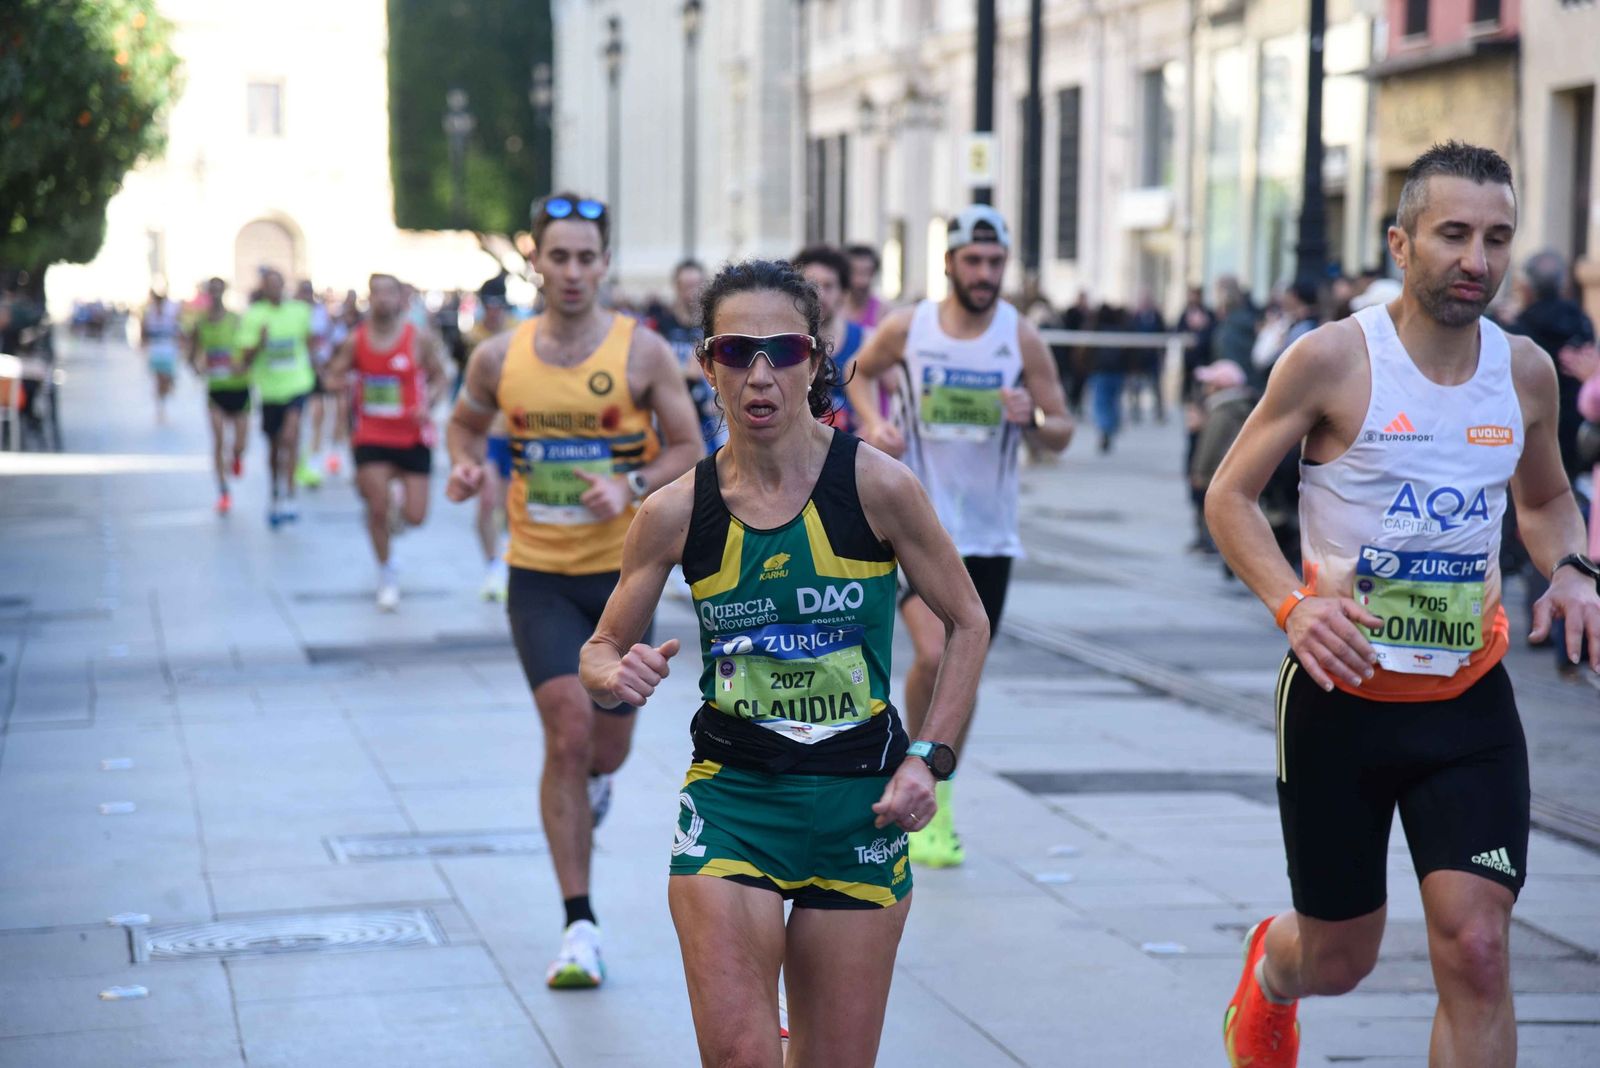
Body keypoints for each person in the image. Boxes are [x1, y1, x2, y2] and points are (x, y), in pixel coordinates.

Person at [1206, 141, 1600, 1068]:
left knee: (1477, 945)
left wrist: (1574, 569)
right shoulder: (1334, 361)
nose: (1477, 259)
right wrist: (1292, 605)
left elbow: (1543, 501)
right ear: (1401, 242)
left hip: (1468, 705)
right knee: (1340, 958)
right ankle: (1272, 967)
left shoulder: (1526, 372)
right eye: (1453, 234)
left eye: (1497, 238)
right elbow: (1228, 496)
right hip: (1340, 703)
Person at [578, 259, 989, 1067]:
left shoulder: (878, 486)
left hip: (859, 810)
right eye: (737, 353)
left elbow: (967, 622)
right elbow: (599, 649)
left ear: (815, 359)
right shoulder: (671, 512)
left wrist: (929, 760)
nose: (761, 376)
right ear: (707, 364)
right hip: (734, 803)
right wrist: (611, 679)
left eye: (784, 352)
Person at [445, 192, 702, 988]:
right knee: (565, 730)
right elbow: (463, 422)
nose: (573, 271)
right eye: (558, 256)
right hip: (540, 576)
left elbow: (690, 447)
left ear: (604, 264)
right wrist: (461, 462)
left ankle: (593, 781)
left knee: (607, 743)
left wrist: (628, 480)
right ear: (535, 261)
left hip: (623, 575)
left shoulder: (642, 353)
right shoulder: (499, 356)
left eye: (587, 257)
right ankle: (579, 926)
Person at [844, 205, 1073, 868]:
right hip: (915, 525)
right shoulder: (911, 328)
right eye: (972, 261)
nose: (984, 273)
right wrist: (873, 425)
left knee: (962, 671)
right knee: (932, 656)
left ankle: (935, 794)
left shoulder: (1020, 337)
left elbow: (1063, 429)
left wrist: (1034, 420)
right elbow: (854, 372)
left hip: (989, 535)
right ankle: (917, 768)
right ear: (948, 263)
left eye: (994, 262)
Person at [321, 274, 448, 611]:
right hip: (371, 435)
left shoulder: (417, 338)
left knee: (417, 516)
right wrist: (342, 382)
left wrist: (429, 402)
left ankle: (397, 510)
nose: (382, 299)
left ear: (399, 298)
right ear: (369, 298)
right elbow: (332, 375)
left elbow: (440, 377)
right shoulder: (355, 341)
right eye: (376, 293)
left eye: (389, 293)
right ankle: (386, 572)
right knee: (376, 508)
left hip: (412, 435)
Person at [239, 268, 316, 527]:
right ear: (263, 288)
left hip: (297, 385)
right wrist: (260, 343)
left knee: (291, 438)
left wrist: (320, 371)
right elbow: (245, 358)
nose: (275, 289)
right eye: (269, 285)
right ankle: (275, 490)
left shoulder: (300, 311)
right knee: (274, 447)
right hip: (270, 390)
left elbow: (308, 344)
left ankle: (291, 495)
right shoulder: (254, 315)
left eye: (278, 284)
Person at [465, 286, 514, 601]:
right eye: (489, 305)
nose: (494, 310)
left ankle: (510, 563)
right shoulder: (472, 337)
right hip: (489, 434)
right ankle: (492, 568)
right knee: (486, 502)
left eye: (499, 304)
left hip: (520, 434)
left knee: (512, 508)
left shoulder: (520, 332)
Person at [187, 278, 249, 514]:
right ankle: (223, 491)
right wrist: (197, 368)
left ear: (224, 292)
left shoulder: (237, 320)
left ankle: (237, 457)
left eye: (218, 290)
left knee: (239, 443)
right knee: (218, 440)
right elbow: (191, 354)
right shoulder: (200, 323)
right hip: (216, 389)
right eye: (211, 291)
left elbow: (249, 348)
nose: (215, 295)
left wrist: (244, 365)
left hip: (239, 387)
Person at [650, 259, 724, 454]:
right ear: (676, 287)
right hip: (670, 416)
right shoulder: (660, 326)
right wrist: (686, 375)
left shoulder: (715, 327)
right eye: (687, 286)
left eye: (697, 286)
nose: (692, 293)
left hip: (709, 418)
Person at [793, 245, 867, 432]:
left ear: (843, 293)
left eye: (828, 285)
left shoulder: (866, 341)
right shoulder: (784, 343)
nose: (819, 295)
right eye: (811, 285)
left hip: (851, 453)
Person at [295, 280, 333, 488]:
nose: (306, 295)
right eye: (303, 291)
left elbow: (327, 338)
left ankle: (314, 461)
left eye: (309, 292)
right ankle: (297, 458)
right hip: (296, 374)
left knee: (318, 415)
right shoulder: (290, 313)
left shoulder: (321, 313)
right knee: (296, 419)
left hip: (317, 370)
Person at [1125, 288, 1167, 423]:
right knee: (1135, 388)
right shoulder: (1134, 317)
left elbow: (1163, 334)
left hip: (1152, 359)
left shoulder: (1157, 316)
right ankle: (1135, 413)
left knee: (1156, 388)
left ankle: (1159, 414)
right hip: (1138, 360)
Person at [140, 288, 182, 424]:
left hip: (169, 351)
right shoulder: (149, 314)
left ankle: (169, 388)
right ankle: (161, 408)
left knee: (165, 379)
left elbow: (178, 331)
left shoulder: (171, 313)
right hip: (155, 351)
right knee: (158, 380)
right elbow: (144, 333)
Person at [844, 243, 886, 329]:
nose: (862, 281)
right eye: (856, 272)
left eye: (867, 272)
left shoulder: (883, 311)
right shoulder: (834, 308)